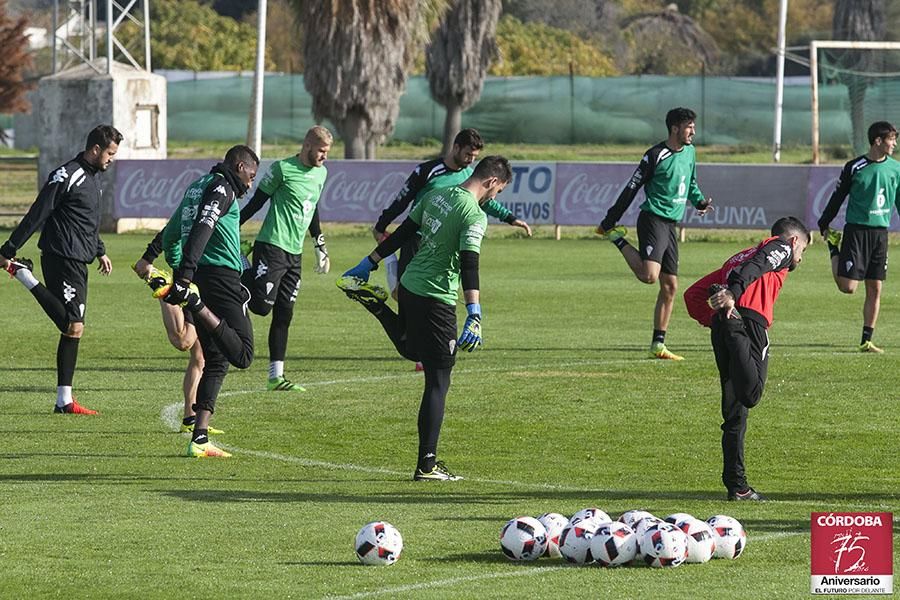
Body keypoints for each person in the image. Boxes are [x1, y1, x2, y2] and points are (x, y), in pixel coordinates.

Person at [337, 155, 512, 481]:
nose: (495, 198)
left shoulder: (435, 196)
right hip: (436, 298)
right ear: (491, 182)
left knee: (411, 348)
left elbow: (403, 233)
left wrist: (370, 262)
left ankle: (377, 305)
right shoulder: (473, 214)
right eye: (498, 191)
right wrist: (474, 311)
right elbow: (469, 265)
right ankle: (427, 466)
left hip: (410, 285)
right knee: (438, 380)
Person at [373, 128, 530, 371]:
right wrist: (382, 225)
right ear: (455, 147)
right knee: (401, 294)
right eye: (468, 154)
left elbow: (486, 201)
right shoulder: (427, 171)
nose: (470, 160)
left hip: (445, 243)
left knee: (436, 293)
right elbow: (403, 198)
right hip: (417, 237)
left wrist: (511, 218)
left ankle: (422, 352)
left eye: (475, 156)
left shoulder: (471, 176)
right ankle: (416, 342)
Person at [683, 216, 811, 501]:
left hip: (726, 324)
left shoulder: (737, 258)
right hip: (747, 325)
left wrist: (718, 316)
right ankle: (737, 484)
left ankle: (737, 485)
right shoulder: (779, 248)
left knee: (735, 413)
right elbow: (760, 265)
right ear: (794, 241)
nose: (800, 259)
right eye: (803, 250)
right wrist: (733, 299)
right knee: (751, 394)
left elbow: (692, 295)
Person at [0, 125, 121, 414]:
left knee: (72, 330)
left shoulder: (92, 178)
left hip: (79, 259)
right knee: (73, 325)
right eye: (110, 153)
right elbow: (38, 212)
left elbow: (85, 220)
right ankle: (22, 273)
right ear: (95, 149)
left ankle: (64, 400)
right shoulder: (67, 175)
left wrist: (100, 250)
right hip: (61, 256)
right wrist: (9, 248)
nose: (111, 159)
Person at [158, 144, 259, 458]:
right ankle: (196, 303)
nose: (251, 183)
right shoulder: (222, 187)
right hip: (218, 278)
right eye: (251, 175)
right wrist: (186, 280)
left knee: (215, 360)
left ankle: (199, 439)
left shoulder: (198, 185)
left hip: (202, 275)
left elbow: (174, 228)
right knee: (243, 354)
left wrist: (161, 261)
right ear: (240, 166)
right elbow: (204, 225)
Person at [597, 107, 713, 361]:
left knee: (670, 286)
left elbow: (691, 182)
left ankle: (658, 345)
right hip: (652, 219)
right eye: (689, 126)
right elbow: (631, 188)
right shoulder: (655, 155)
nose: (693, 131)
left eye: (693, 126)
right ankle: (616, 236)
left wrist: (700, 202)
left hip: (671, 225)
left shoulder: (691, 152)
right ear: (674, 128)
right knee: (650, 276)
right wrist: (610, 220)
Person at [239, 126, 332, 392]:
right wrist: (233, 228)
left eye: (327, 152)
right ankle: (241, 259)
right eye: (322, 151)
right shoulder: (282, 169)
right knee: (260, 306)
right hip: (271, 246)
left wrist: (319, 243)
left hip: (295, 254)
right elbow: (257, 201)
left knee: (285, 313)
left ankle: (275, 377)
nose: (325, 157)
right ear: (307, 146)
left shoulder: (321, 173)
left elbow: (313, 207)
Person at [817, 121, 900, 353]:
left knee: (875, 288)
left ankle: (866, 339)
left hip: (881, 235)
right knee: (848, 287)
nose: (894, 143)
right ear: (878, 141)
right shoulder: (855, 167)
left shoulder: (896, 169)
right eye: (891, 139)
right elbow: (838, 196)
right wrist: (824, 222)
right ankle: (834, 247)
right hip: (856, 232)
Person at [132, 234, 222, 435]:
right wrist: (149, 255)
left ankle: (190, 417)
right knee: (183, 340)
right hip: (190, 277)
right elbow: (170, 229)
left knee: (200, 357)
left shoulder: (219, 207)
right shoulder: (202, 205)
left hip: (205, 275)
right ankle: (162, 286)